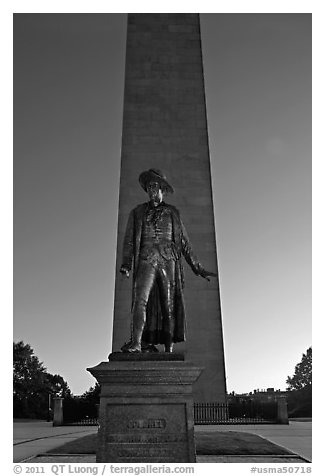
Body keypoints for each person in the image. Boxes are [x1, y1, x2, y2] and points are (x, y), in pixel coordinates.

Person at [120, 168, 216, 353]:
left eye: (154, 186)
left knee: (168, 304)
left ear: (162, 188)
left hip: (168, 259)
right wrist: (126, 264)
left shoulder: (173, 213)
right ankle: (137, 343)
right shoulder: (137, 212)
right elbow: (130, 240)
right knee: (140, 301)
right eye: (148, 187)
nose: (151, 190)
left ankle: (168, 348)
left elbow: (184, 242)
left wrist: (197, 267)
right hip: (146, 258)